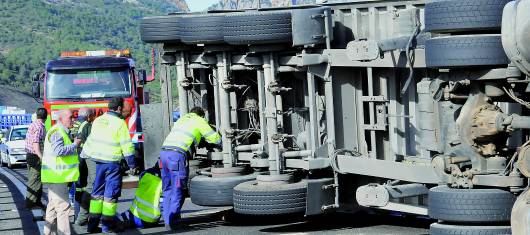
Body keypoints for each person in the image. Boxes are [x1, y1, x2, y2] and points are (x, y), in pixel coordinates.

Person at [159, 107, 221, 230]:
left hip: (163, 154)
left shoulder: (182, 120)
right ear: (201, 115)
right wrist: (223, 143)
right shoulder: (199, 120)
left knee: (167, 189)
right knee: (178, 189)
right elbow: (214, 138)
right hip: (176, 156)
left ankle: (167, 220)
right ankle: (174, 222)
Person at [81, 97, 137, 233]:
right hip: (112, 164)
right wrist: (132, 165)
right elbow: (127, 146)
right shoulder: (119, 123)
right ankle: (107, 226)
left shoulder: (98, 120)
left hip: (98, 162)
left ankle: (92, 225)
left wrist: (82, 158)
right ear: (118, 109)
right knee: (110, 196)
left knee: (96, 194)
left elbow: (90, 141)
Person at [42, 109, 81, 235]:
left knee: (53, 208)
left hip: (55, 176)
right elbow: (58, 151)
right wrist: (75, 145)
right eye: (70, 117)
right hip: (58, 177)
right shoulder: (57, 132)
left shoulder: (59, 131)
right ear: (61, 119)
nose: (73, 120)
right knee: (63, 208)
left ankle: (48, 233)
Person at [119, 164, 162, 229]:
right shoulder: (164, 183)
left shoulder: (145, 176)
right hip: (152, 221)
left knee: (116, 217)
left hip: (137, 217)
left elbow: (142, 173)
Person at [74, 108, 96, 226]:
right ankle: (82, 216)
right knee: (87, 186)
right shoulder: (86, 125)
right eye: (93, 116)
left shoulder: (75, 124)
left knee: (78, 187)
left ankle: (77, 215)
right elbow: (90, 141)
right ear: (89, 116)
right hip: (83, 157)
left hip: (74, 158)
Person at [24, 108, 47, 209]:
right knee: (35, 180)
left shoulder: (33, 124)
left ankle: (37, 202)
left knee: (36, 179)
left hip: (30, 155)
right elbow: (36, 143)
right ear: (46, 117)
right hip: (35, 156)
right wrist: (41, 157)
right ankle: (30, 203)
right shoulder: (39, 127)